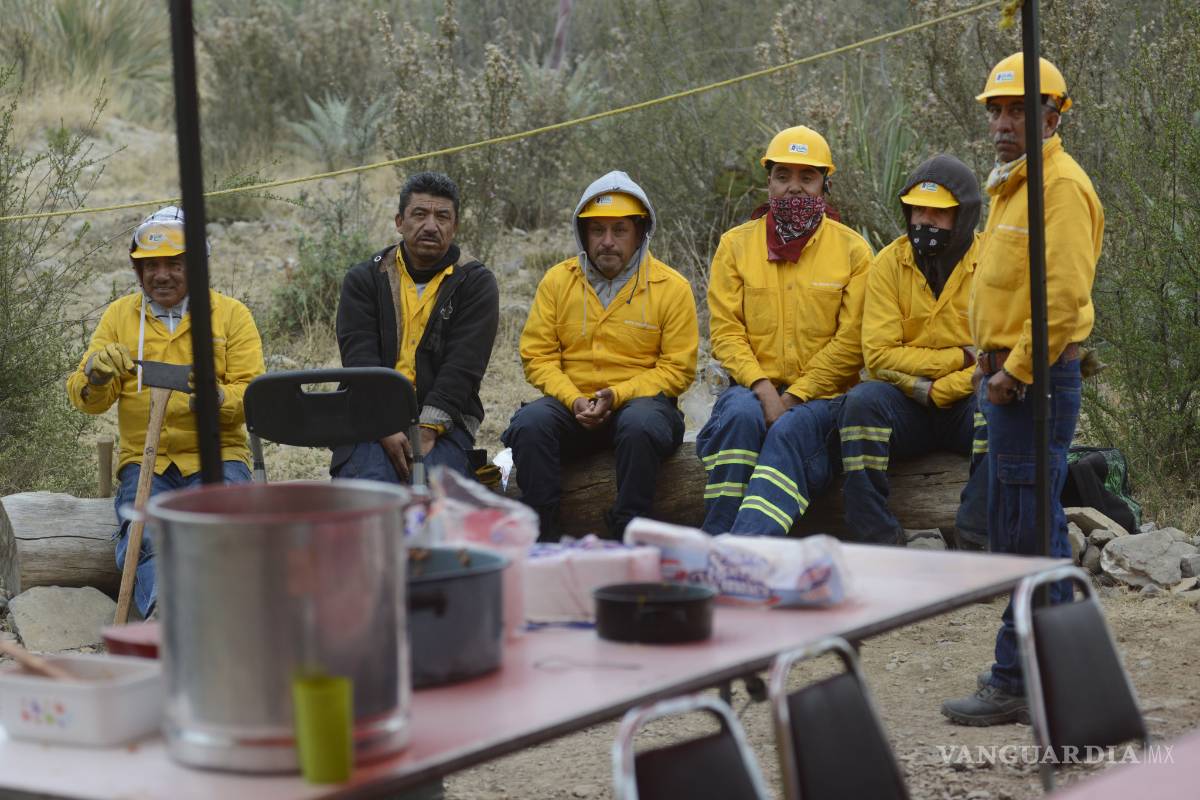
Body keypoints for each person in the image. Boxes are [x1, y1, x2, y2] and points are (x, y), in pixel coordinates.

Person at [942, 52, 1102, 725]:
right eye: (998, 111)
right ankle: (1048, 677)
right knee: (1025, 530)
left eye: (1020, 111)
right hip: (1010, 379)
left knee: (1030, 535)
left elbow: (1062, 298)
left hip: (1032, 384)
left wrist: (1015, 371)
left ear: (1053, 117)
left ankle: (1033, 680)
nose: (1004, 124)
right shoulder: (1015, 185)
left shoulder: (1058, 188)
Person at [66, 205, 264, 618]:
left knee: (221, 530)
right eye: (150, 265)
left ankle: (218, 616)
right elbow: (87, 400)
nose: (161, 275)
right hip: (145, 461)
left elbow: (254, 395)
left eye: (174, 264)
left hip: (218, 454)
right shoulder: (119, 317)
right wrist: (96, 375)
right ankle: (168, 613)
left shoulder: (231, 316)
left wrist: (217, 398)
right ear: (138, 271)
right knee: (146, 535)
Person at [502, 171, 698, 540]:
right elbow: (538, 357)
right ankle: (542, 536)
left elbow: (678, 369)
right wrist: (573, 398)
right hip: (572, 406)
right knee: (530, 424)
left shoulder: (672, 287)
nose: (607, 241)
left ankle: (629, 533)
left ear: (640, 232)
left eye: (619, 230)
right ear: (583, 233)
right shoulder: (557, 281)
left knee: (640, 425)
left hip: (641, 408)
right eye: (597, 230)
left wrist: (618, 395)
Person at [697, 125, 872, 535]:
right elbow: (726, 333)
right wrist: (764, 390)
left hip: (823, 400)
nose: (794, 187)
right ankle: (717, 537)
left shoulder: (853, 251)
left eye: (807, 177)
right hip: (750, 389)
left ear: (825, 184)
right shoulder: (735, 246)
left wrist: (793, 397)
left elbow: (852, 343)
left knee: (791, 429)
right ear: (769, 182)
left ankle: (745, 545)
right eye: (783, 176)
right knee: (739, 417)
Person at [838, 155, 989, 547]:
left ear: (963, 216)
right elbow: (878, 356)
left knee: (999, 405)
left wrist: (945, 389)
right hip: (906, 405)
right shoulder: (888, 262)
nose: (925, 221)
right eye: (918, 209)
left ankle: (976, 532)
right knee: (861, 403)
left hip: (966, 402)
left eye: (939, 212)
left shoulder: (993, 262)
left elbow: (995, 356)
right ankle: (875, 538)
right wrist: (958, 358)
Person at [333, 171, 499, 483]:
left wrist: (426, 430)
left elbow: (464, 367)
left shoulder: (475, 282)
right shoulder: (365, 279)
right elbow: (359, 361)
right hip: (370, 415)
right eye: (419, 214)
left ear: (455, 226)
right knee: (370, 488)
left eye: (442, 216)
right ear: (400, 222)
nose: (431, 226)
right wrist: (384, 425)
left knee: (435, 494)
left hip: (447, 421)